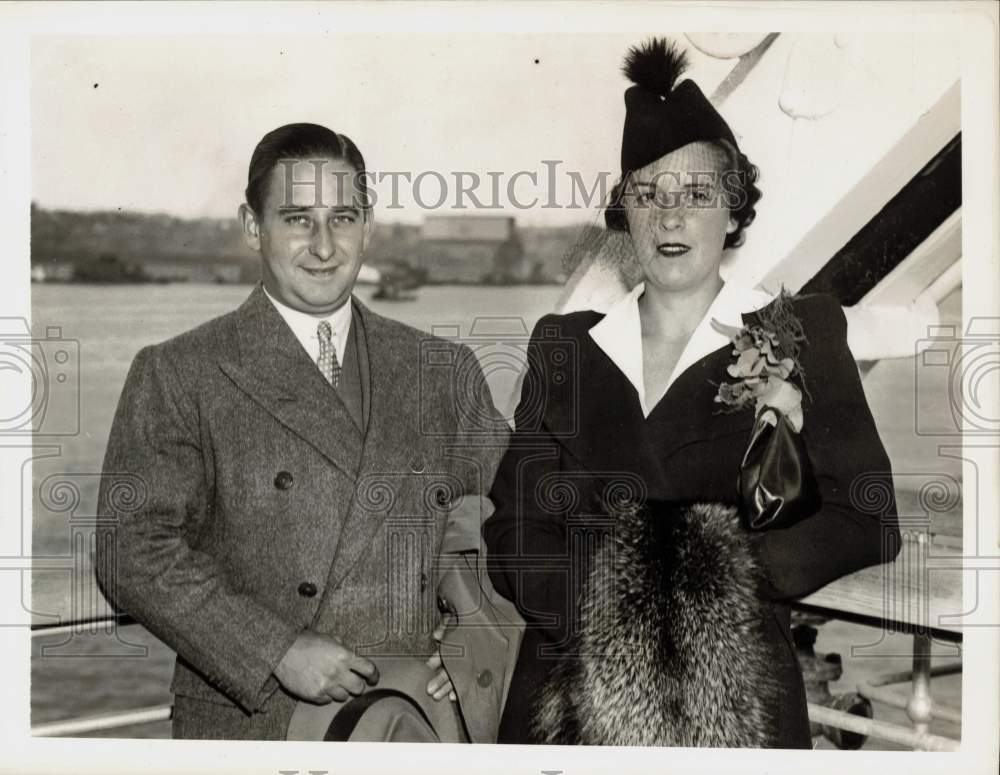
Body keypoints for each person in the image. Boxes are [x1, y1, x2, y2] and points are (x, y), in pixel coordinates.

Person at [483, 39, 901, 747]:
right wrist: (607, 602)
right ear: (626, 215)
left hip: (735, 706)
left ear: (734, 213)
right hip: (572, 703)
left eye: (697, 194)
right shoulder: (567, 347)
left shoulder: (798, 332)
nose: (670, 217)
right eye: (648, 195)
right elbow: (512, 529)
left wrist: (724, 578)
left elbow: (870, 515)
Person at [94, 123, 517, 741]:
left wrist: (474, 636)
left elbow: (520, 519)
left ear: (368, 226)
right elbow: (128, 550)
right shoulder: (180, 372)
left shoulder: (441, 371)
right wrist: (276, 649)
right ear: (251, 227)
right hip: (256, 722)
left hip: (417, 721)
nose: (323, 246)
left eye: (342, 218)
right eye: (297, 219)